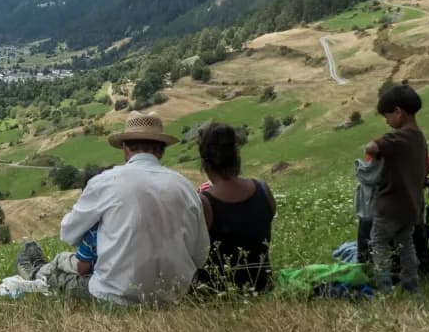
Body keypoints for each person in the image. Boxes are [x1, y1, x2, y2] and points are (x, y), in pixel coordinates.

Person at [16, 111, 209, 305]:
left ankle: (34, 272)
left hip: (115, 296)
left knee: (58, 278)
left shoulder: (105, 182)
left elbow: (68, 233)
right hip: (175, 296)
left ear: (125, 148)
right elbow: (200, 254)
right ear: (161, 151)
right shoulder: (186, 187)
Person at [195, 122, 276, 292]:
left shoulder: (204, 203)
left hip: (219, 292)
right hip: (262, 284)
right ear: (236, 157)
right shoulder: (263, 190)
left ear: (205, 163)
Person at [365, 84, 428, 293]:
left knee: (379, 243)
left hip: (389, 206)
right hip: (411, 207)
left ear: (398, 112)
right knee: (405, 244)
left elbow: (371, 147)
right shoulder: (419, 137)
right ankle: (411, 285)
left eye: (387, 115)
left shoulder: (398, 137)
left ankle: (384, 287)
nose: (386, 121)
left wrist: (375, 150)